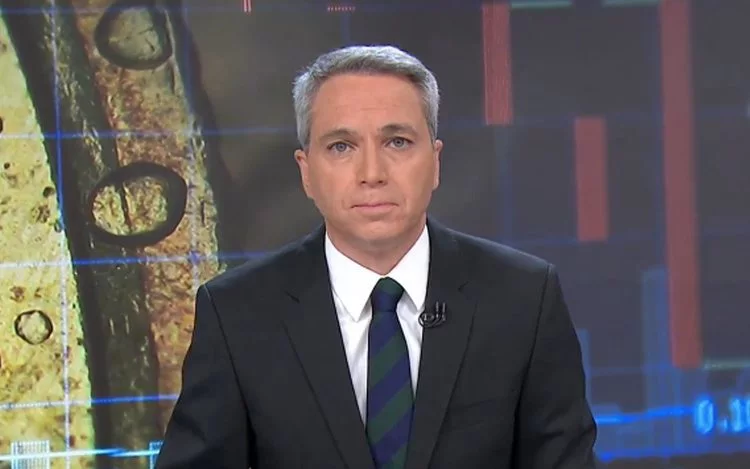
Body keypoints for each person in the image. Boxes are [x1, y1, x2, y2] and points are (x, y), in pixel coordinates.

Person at [155, 44, 598, 469]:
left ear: (435, 161)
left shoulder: (523, 299)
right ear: (306, 172)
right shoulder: (237, 313)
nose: (372, 174)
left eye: (398, 142)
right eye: (341, 147)